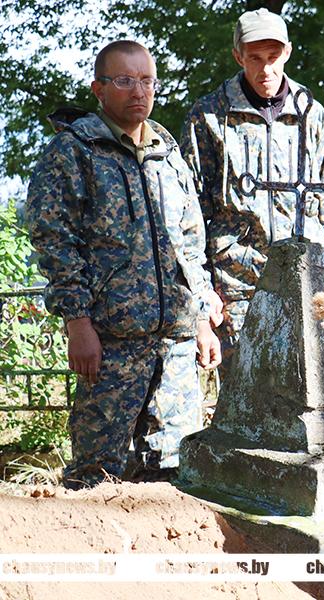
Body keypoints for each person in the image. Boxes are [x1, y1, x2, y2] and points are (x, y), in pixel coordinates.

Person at [25, 41, 221, 489]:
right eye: (125, 80)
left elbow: (190, 244)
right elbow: (56, 241)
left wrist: (203, 322)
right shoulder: (73, 152)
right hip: (110, 347)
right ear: (98, 88)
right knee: (95, 477)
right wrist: (78, 323)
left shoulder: (167, 154)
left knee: (174, 476)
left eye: (147, 81)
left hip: (173, 348)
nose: (139, 91)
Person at [181, 8, 324, 359]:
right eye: (255, 58)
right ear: (238, 56)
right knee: (247, 406)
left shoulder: (311, 113)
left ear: (288, 52)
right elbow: (191, 216)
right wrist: (203, 293)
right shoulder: (209, 116)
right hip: (238, 286)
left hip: (308, 281)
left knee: (312, 401)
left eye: (273, 57)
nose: (266, 69)